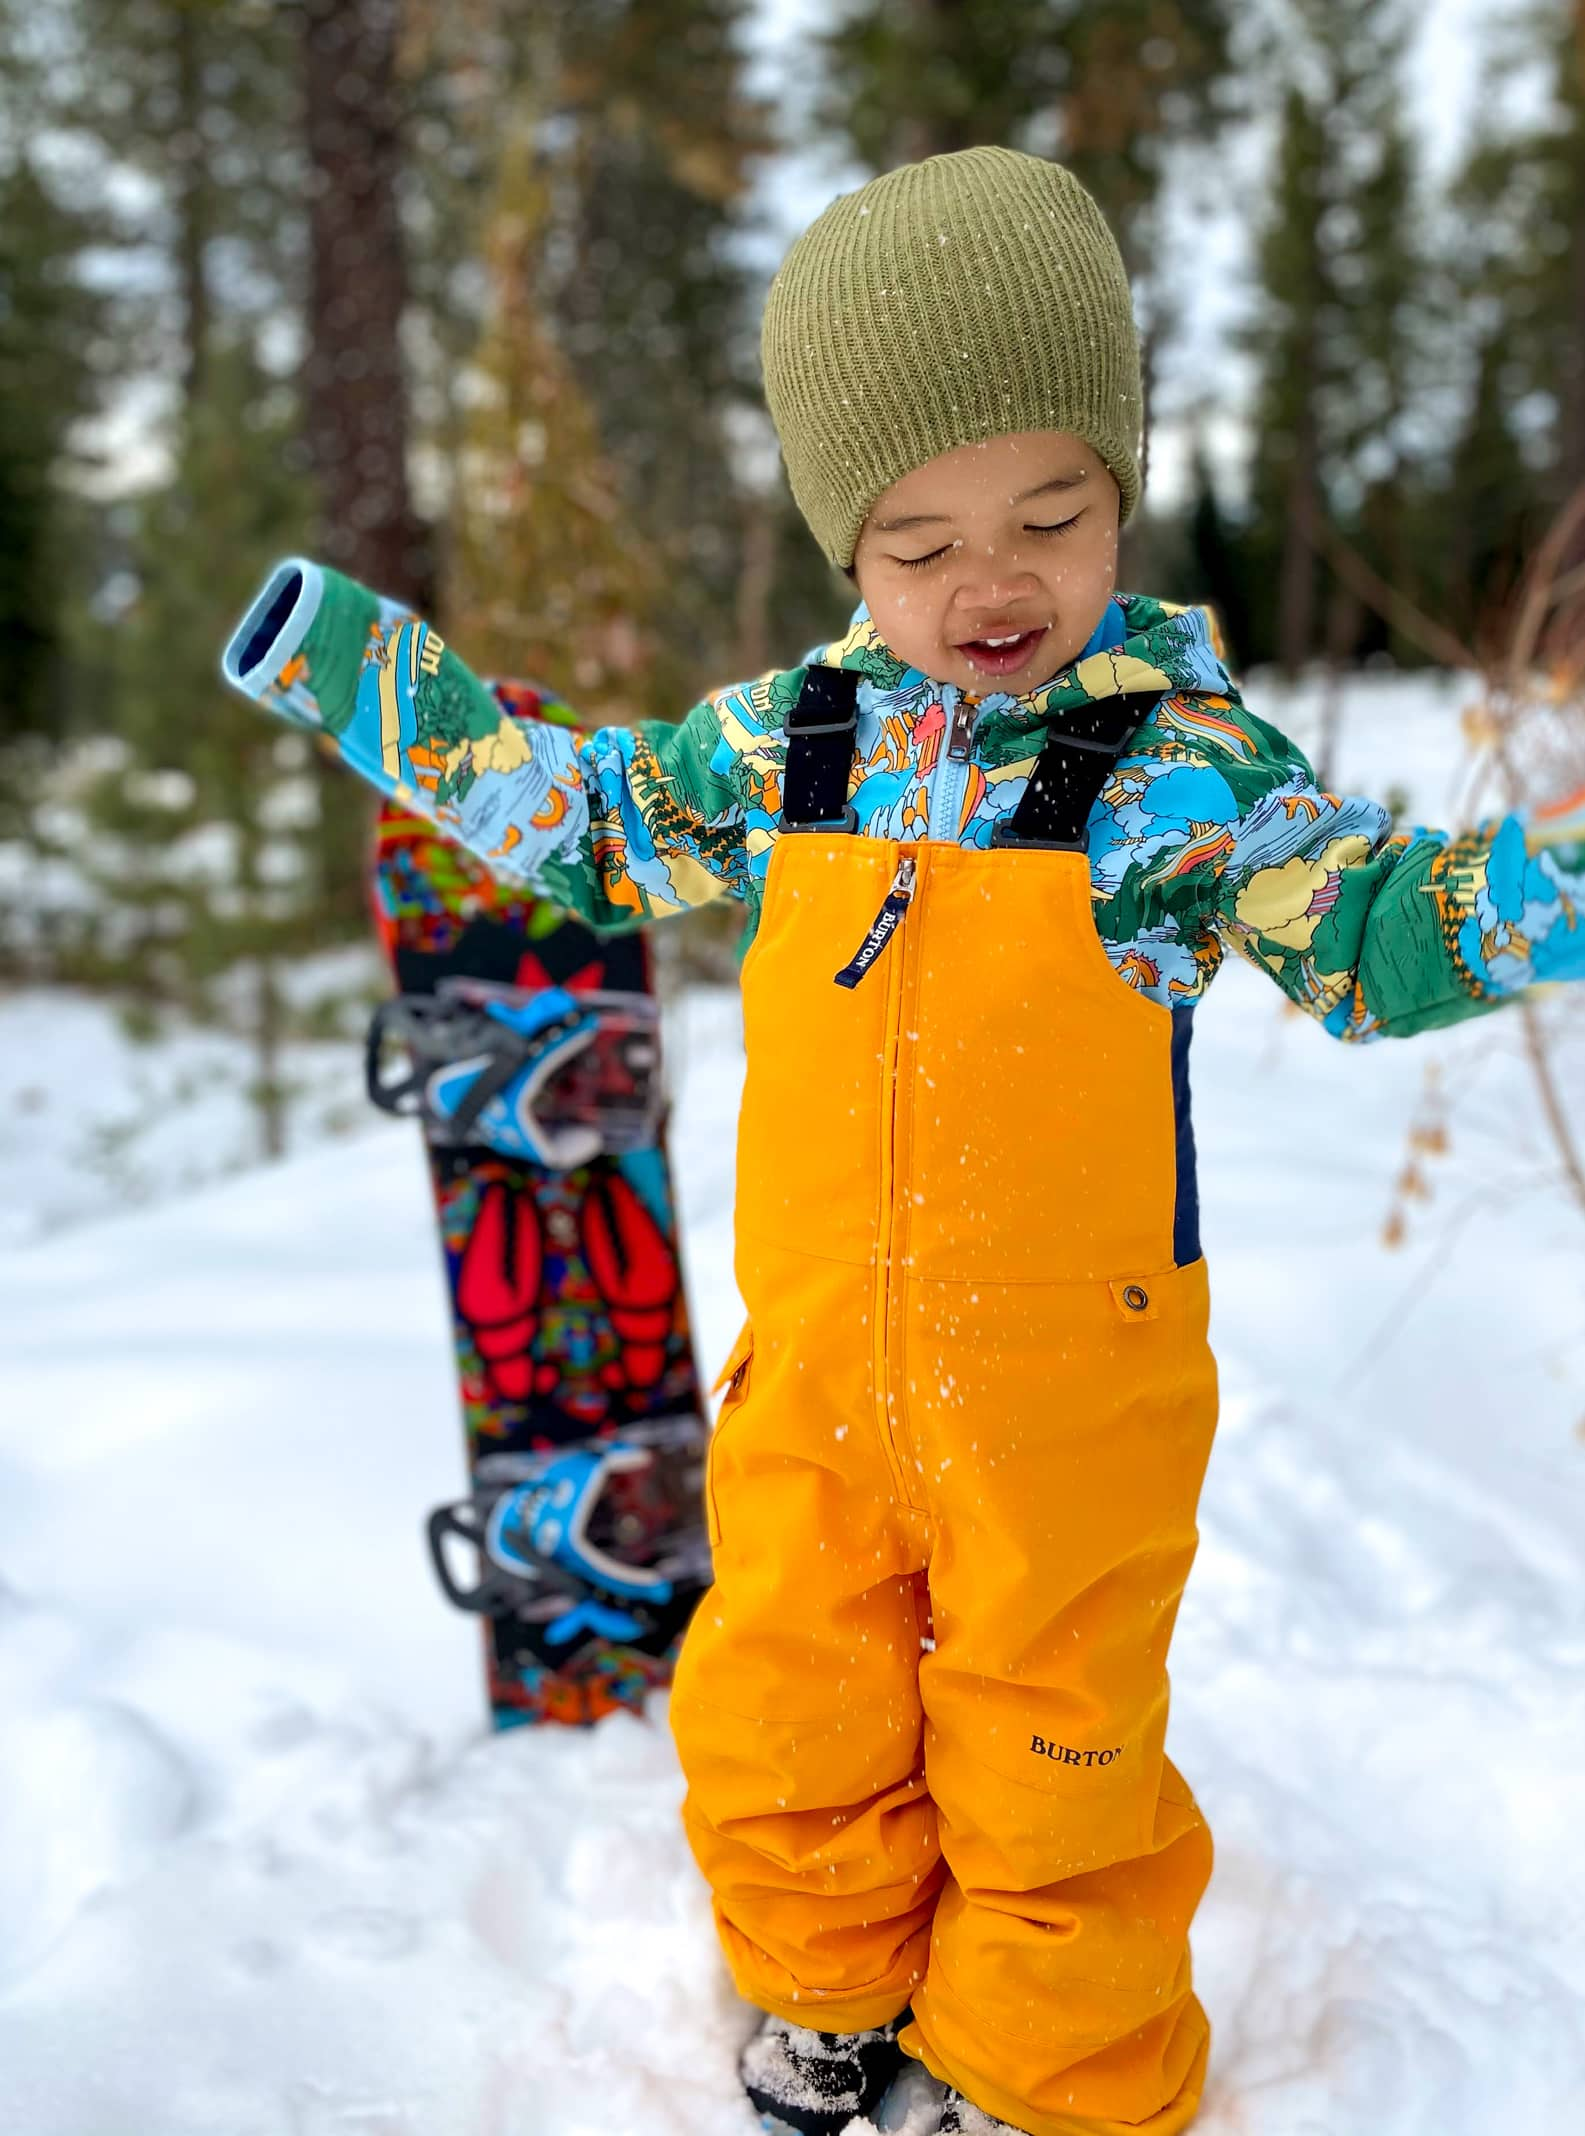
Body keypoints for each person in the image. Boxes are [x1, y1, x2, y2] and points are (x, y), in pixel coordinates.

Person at [223, 147, 1585, 2136]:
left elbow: (1373, 942)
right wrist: (369, 672)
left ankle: (1045, 2069)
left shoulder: (1184, 773)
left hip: (1073, 1388)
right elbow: (593, 833)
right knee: (786, 1696)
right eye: (916, 539)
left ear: (1121, 492)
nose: (992, 580)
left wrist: (1551, 881)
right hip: (826, 1363)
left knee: (1054, 1746)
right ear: (844, 553)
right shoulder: (798, 743)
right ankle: (823, 1985)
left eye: (1052, 511)